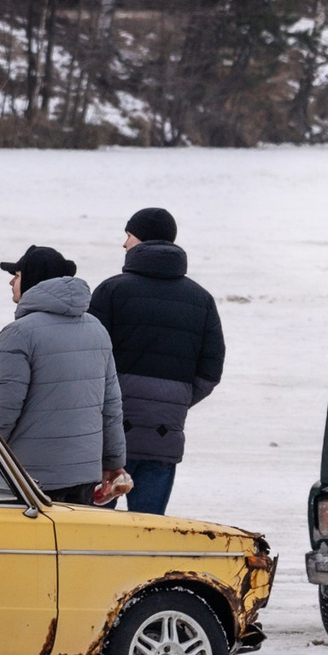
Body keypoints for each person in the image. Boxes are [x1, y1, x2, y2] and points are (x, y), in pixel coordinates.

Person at [87, 206, 225, 516]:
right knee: (147, 530)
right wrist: (175, 400)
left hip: (108, 434)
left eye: (128, 236)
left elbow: (88, 354)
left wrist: (101, 399)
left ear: (142, 241)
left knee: (92, 528)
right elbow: (211, 369)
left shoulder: (111, 290)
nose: (124, 244)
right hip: (163, 433)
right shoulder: (201, 299)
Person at [0, 246, 126, 506]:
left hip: (30, 477)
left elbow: (3, 407)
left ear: (33, 278)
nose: (11, 281)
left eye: (16, 274)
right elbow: (111, 406)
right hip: (84, 474)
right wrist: (114, 462)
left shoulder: (19, 334)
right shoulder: (96, 329)